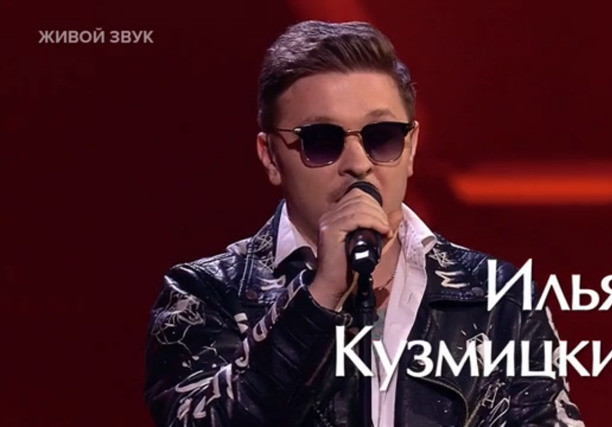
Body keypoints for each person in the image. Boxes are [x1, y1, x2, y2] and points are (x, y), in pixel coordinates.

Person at [144, 20, 584, 426]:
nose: (358, 163)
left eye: (381, 137)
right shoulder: (205, 294)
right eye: (321, 140)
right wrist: (319, 298)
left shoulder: (499, 298)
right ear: (271, 157)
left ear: (410, 148)